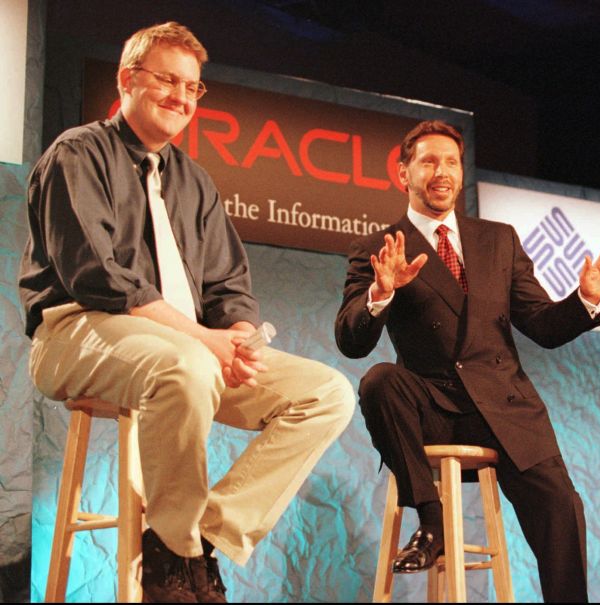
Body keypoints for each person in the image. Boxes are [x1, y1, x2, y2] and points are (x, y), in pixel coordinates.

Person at [19, 22, 355, 603]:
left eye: (193, 87)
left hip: (187, 348)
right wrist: (203, 340)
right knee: (186, 364)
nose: (181, 97)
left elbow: (229, 285)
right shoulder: (77, 153)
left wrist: (241, 336)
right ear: (128, 80)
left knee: (326, 393)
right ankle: (173, 561)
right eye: (167, 80)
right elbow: (97, 276)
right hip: (75, 331)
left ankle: (198, 538)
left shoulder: (195, 183)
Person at [334, 120, 600, 602]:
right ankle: (430, 522)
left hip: (506, 408)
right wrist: (380, 292)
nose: (442, 172)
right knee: (379, 381)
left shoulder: (498, 239)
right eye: (429, 161)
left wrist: (585, 299)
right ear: (403, 173)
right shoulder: (379, 248)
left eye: (452, 162)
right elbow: (351, 341)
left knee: (562, 510)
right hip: (435, 408)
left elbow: (541, 324)